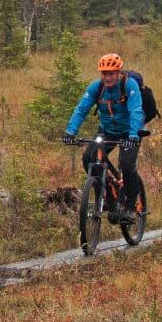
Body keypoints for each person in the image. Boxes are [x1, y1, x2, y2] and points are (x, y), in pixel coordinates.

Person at [63, 52, 144, 224]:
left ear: (119, 72)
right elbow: (81, 109)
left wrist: (133, 135)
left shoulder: (129, 85)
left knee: (127, 165)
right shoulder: (96, 88)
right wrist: (70, 132)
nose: (108, 77)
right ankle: (108, 197)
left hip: (130, 131)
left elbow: (136, 111)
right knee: (88, 158)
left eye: (111, 73)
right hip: (107, 130)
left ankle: (130, 206)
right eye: (104, 73)